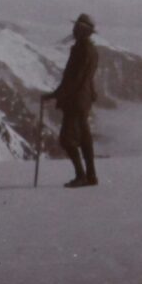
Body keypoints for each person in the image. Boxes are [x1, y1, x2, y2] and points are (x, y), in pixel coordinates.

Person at [42, 13, 101, 188]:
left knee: (67, 140)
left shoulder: (82, 50)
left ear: (84, 31)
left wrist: (56, 95)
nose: (74, 30)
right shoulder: (90, 50)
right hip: (83, 99)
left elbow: (75, 79)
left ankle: (81, 176)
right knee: (84, 138)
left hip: (75, 100)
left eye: (77, 28)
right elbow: (83, 78)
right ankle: (90, 176)